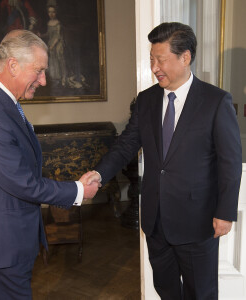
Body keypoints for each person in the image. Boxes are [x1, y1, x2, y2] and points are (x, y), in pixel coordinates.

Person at [86, 22, 242, 299]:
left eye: (161, 59)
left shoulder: (215, 101)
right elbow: (126, 145)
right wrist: (99, 174)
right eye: (151, 60)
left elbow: (229, 161)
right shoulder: (146, 100)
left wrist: (226, 212)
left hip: (198, 221)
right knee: (165, 289)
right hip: (156, 220)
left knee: (201, 293)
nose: (154, 67)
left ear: (185, 57)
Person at [0, 29, 99, 300]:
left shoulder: (3, 104)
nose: (43, 80)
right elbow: (22, 182)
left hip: (12, 240)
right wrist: (78, 191)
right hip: (1, 246)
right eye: (39, 71)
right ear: (13, 65)